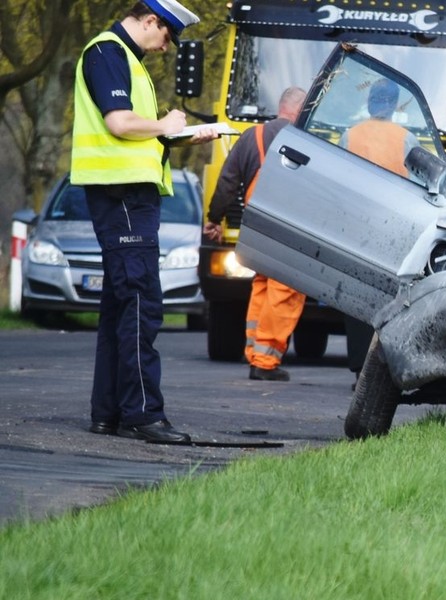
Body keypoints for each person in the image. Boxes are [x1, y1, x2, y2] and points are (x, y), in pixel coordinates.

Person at [73, 0, 219, 442]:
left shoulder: (122, 59)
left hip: (128, 194)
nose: (166, 47)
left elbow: (133, 133)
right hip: (121, 196)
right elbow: (119, 123)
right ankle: (143, 416)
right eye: (167, 36)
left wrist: (182, 133)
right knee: (141, 302)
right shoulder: (108, 53)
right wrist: (164, 122)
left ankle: (109, 413)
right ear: (151, 20)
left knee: (120, 305)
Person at [204, 87, 308, 382]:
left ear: (281, 106)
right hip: (288, 227)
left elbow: (227, 181)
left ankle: (254, 352)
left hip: (256, 226)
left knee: (262, 285)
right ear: (300, 111)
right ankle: (264, 361)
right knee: (284, 292)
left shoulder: (251, 136)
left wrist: (214, 219)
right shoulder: (305, 140)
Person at [340, 78, 420, 388]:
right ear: (394, 104)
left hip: (356, 226)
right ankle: (380, 366)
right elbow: (417, 183)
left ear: (370, 102)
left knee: (356, 297)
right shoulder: (406, 139)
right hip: (391, 230)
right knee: (386, 300)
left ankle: (359, 367)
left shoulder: (350, 135)